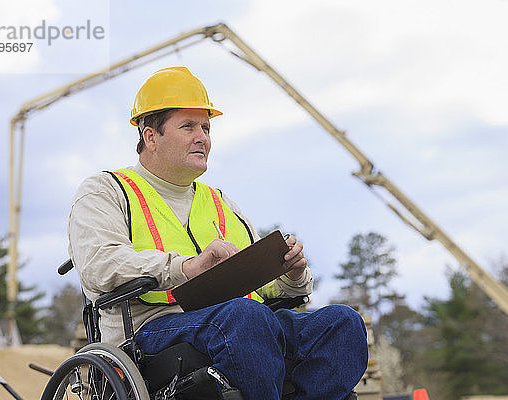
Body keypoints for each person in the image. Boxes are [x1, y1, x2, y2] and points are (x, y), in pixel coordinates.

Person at [68, 66, 368, 400]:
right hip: (150, 332)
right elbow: (100, 265)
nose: (203, 137)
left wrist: (292, 275)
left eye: (206, 128)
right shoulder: (105, 191)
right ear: (151, 136)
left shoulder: (221, 203)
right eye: (188, 126)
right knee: (246, 318)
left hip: (242, 325)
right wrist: (185, 268)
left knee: (342, 324)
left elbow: (262, 288)